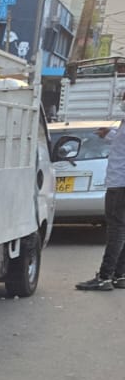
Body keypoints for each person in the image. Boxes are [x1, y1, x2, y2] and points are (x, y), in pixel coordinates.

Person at [76, 123, 125, 291]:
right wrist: (110, 134)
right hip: (119, 184)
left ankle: (105, 277)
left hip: (119, 184)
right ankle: (119, 275)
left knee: (116, 230)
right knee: (121, 230)